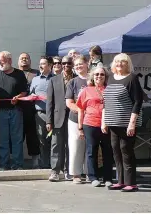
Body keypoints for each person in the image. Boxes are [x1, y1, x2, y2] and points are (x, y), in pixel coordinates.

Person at [102, 53, 143, 192]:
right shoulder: (111, 79)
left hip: (126, 123)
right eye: (117, 61)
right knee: (116, 151)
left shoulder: (132, 79)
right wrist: (105, 121)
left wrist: (132, 123)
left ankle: (131, 183)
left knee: (126, 150)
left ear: (128, 64)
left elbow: (138, 102)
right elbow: (107, 101)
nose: (119, 64)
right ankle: (120, 181)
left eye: (123, 62)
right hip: (113, 122)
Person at [0, 51, 27, 170]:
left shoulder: (19, 74)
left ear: (9, 60)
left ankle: (17, 164)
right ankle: (3, 164)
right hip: (0, 111)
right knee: (2, 139)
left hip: (16, 110)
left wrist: (18, 97)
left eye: (2, 60)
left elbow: (24, 91)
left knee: (17, 139)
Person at [76, 65, 113, 187]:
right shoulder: (86, 90)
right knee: (91, 151)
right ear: (92, 76)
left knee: (108, 151)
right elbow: (80, 109)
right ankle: (93, 177)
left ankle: (108, 178)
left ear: (105, 77)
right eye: (96, 74)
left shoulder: (109, 89)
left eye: (102, 74)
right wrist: (80, 127)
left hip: (107, 124)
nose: (99, 76)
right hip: (90, 124)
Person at [46, 55, 75, 181]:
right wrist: (49, 120)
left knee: (71, 145)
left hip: (74, 117)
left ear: (72, 64)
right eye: (64, 63)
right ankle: (55, 171)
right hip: (58, 117)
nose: (66, 65)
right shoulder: (54, 80)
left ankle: (69, 170)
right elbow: (49, 102)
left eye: (69, 63)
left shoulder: (77, 79)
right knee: (56, 145)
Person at [65, 55, 90, 184]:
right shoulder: (72, 82)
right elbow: (69, 102)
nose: (79, 66)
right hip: (75, 119)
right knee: (76, 145)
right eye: (76, 65)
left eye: (81, 64)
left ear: (87, 64)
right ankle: (76, 174)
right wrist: (81, 111)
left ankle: (90, 172)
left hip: (92, 119)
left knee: (91, 146)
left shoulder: (94, 79)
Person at [30, 56, 55, 169]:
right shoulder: (35, 79)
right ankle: (45, 164)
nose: (40, 65)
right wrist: (32, 96)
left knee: (54, 140)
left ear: (50, 65)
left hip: (54, 114)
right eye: (40, 63)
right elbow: (30, 95)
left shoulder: (56, 78)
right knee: (42, 139)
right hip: (40, 114)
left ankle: (54, 164)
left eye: (43, 63)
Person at [18, 53, 41, 168]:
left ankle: (35, 161)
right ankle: (17, 161)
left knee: (33, 136)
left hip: (32, 110)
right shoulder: (15, 73)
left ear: (30, 60)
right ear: (18, 61)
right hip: (17, 109)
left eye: (26, 58)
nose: (24, 60)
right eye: (22, 58)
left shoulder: (36, 73)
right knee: (18, 137)